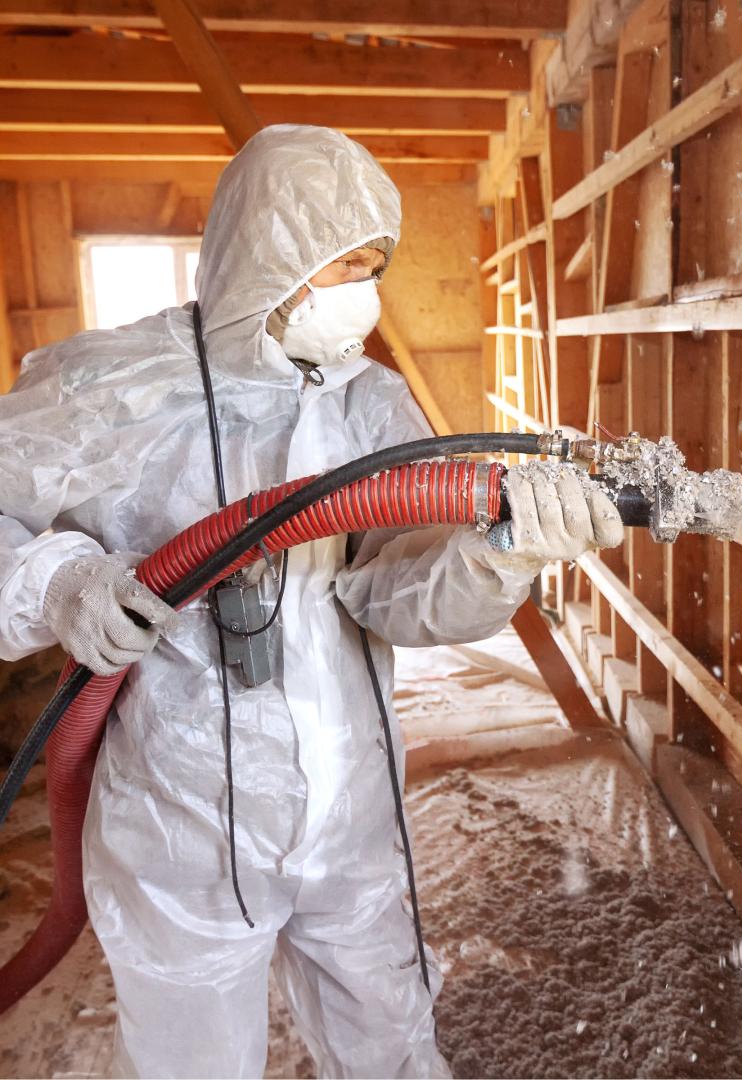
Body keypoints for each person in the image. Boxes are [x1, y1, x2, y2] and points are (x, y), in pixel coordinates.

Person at [0, 125, 623, 1078]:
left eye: (377, 265)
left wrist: (500, 557)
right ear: (267, 261)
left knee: (394, 1056)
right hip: (185, 836)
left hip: (353, 823)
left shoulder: (366, 405)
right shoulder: (114, 390)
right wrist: (62, 581)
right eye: (343, 267)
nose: (364, 296)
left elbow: (398, 595)